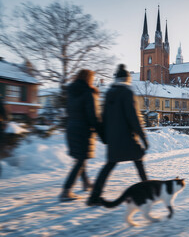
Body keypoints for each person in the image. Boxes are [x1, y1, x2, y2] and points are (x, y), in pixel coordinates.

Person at [87, 64, 149, 206]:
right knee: (139, 163)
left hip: (114, 140)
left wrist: (105, 138)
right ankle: (147, 192)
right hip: (128, 139)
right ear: (127, 79)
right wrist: (143, 138)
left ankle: (94, 197)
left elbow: (102, 117)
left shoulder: (109, 93)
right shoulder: (127, 93)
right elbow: (133, 118)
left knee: (108, 166)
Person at [59, 69, 103, 202]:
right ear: (89, 79)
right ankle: (66, 190)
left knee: (80, 158)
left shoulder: (71, 92)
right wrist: (101, 133)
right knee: (80, 159)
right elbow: (93, 116)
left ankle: (86, 183)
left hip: (71, 128)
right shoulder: (88, 93)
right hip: (83, 130)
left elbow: (68, 111)